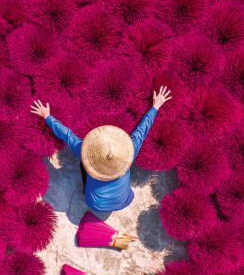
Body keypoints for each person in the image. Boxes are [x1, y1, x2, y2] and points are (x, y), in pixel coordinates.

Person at [31, 86, 172, 212]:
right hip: (123, 202)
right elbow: (142, 130)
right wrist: (155, 106)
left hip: (95, 204)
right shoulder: (130, 151)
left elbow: (67, 135)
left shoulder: (84, 152)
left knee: (84, 170)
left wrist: (47, 116)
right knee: (127, 192)